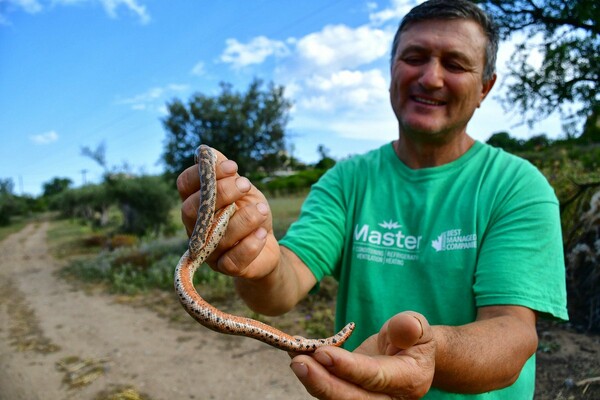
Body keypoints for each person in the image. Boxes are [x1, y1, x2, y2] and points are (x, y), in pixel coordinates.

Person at [176, 0, 568, 398]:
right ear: (391, 71)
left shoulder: (519, 187)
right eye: (415, 57)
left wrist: (433, 354)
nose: (431, 78)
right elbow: (284, 284)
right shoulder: (347, 180)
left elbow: (514, 334)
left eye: (454, 64)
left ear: (485, 87)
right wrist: (255, 256)